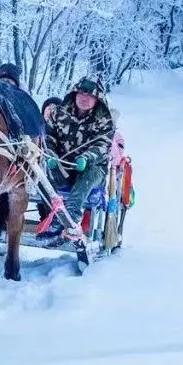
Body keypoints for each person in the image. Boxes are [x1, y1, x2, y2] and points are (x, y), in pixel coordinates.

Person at [41, 75, 115, 244]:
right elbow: (49, 136)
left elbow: (103, 145)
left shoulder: (104, 120)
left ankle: (71, 218)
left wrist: (86, 157)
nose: (84, 98)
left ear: (97, 99)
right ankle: (51, 217)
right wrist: (50, 153)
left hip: (92, 168)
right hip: (63, 165)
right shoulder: (59, 113)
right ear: (75, 93)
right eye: (81, 93)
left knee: (89, 175)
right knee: (42, 174)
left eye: (90, 95)